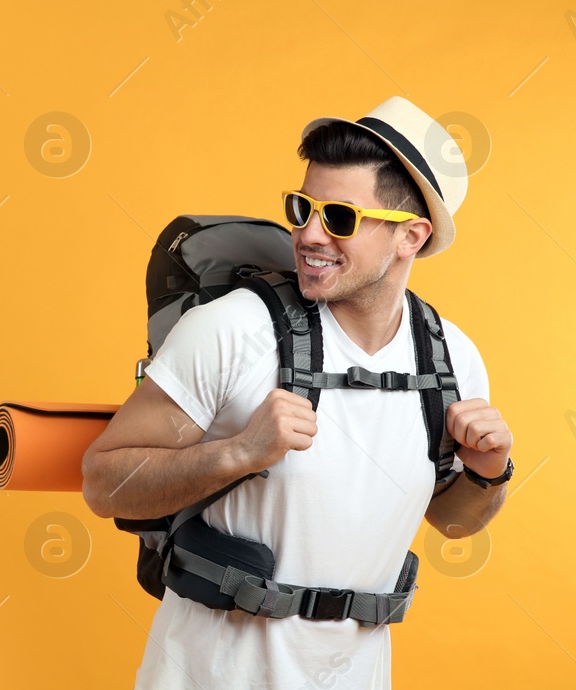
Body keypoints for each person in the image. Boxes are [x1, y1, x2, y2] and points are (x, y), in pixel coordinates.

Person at [80, 96, 514, 689]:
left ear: (410, 236)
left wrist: (488, 474)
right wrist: (239, 451)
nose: (308, 235)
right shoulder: (233, 330)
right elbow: (104, 484)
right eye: (301, 207)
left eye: (338, 218)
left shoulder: (450, 360)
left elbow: (455, 523)